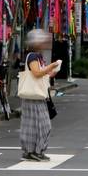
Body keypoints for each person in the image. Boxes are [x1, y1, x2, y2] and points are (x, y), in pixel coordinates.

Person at [20, 29, 60, 162]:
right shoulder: (32, 56)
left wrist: (51, 71)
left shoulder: (37, 57)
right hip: (34, 96)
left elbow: (40, 73)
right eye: (41, 41)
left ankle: (32, 151)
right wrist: (52, 66)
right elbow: (37, 73)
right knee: (42, 125)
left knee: (32, 125)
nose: (44, 43)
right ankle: (35, 151)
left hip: (37, 95)